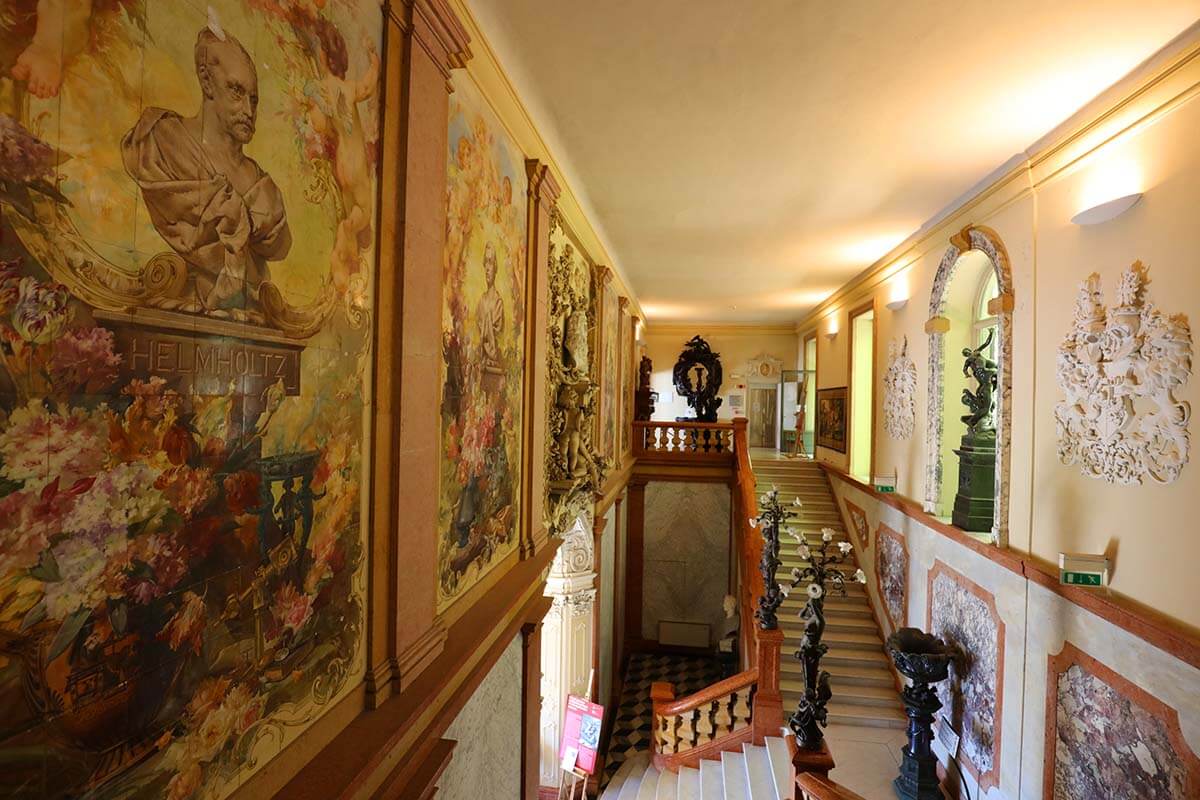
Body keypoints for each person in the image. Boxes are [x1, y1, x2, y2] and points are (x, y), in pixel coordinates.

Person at [121, 24, 292, 318]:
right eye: (236, 91)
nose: (249, 112)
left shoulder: (265, 191)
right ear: (206, 80)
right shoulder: (161, 141)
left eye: (254, 99)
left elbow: (278, 244)